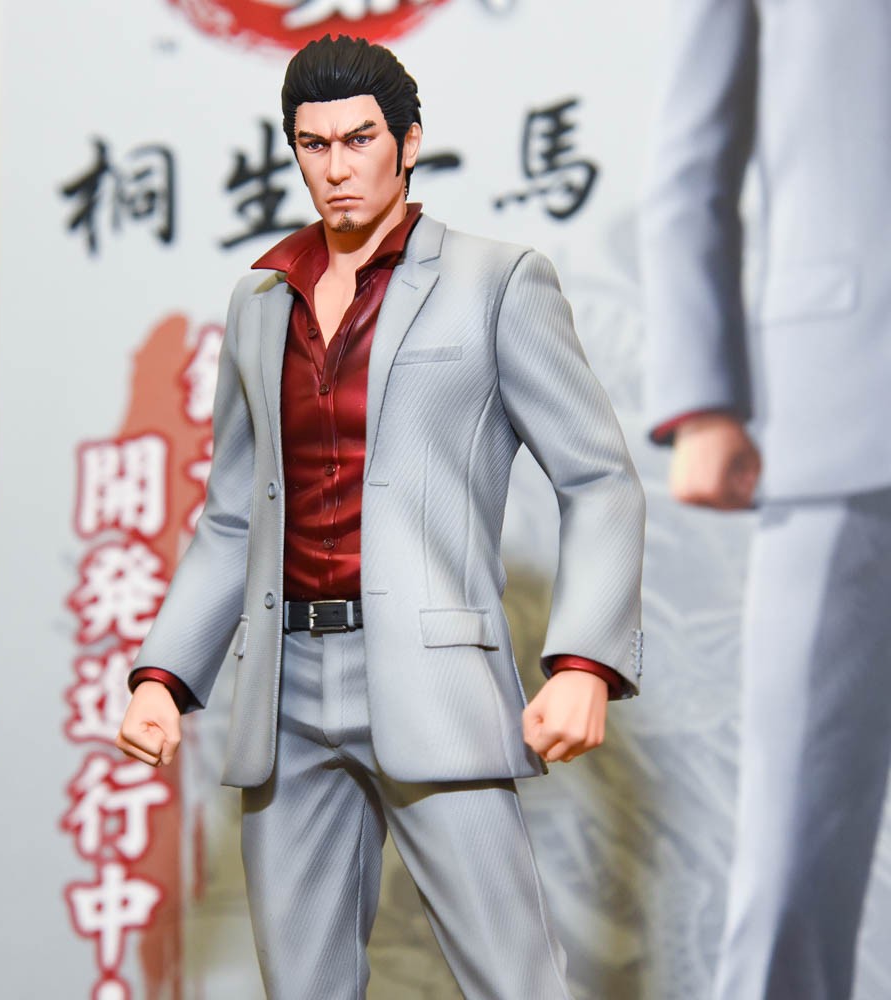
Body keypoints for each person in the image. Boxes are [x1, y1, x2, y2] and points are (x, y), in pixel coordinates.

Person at [118, 34, 644, 999]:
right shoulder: (260, 301)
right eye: (314, 145)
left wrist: (585, 663)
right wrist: (164, 675)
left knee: (515, 977)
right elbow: (233, 518)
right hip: (286, 690)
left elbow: (599, 477)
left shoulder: (496, 280)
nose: (336, 167)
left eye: (359, 139)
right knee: (302, 983)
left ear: (407, 143)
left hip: (431, 675)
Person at [640, 2, 891, 997]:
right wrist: (702, 400)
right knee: (793, 860)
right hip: (842, 408)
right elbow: (688, 165)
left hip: (835, 413)